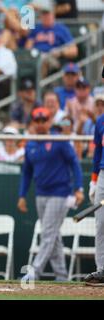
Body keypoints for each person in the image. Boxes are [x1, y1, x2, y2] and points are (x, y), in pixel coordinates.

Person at [18, 107, 84, 281]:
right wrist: (22, 195)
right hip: (41, 194)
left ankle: (34, 272)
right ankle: (62, 275)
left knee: (47, 232)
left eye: (43, 120)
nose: (40, 124)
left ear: (49, 121)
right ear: (33, 122)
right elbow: (26, 172)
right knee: (53, 235)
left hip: (60, 193)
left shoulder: (59, 140)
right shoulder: (30, 144)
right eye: (37, 121)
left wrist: (79, 188)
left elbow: (75, 164)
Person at [84, 91, 104, 285]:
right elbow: (98, 151)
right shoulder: (101, 121)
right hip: (103, 174)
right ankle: (102, 269)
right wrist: (94, 180)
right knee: (100, 223)